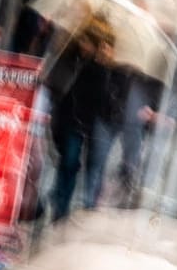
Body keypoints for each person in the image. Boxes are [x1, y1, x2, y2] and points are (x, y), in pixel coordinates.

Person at [44, 18, 132, 220]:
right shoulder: (73, 56)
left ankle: (87, 211)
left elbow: (111, 99)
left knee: (92, 169)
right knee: (69, 163)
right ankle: (61, 210)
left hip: (98, 125)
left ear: (97, 44)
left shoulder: (111, 67)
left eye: (87, 42)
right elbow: (61, 86)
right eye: (82, 41)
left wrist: (105, 67)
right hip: (72, 121)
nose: (83, 45)